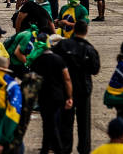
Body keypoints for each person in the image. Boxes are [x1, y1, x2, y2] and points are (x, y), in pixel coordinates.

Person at [53, 20, 100, 154]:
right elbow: (95, 69)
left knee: (66, 121)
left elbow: (54, 58)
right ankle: (84, 149)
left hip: (66, 89)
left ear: (74, 30)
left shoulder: (63, 44)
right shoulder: (89, 49)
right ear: (86, 31)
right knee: (84, 123)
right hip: (83, 89)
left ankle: (65, 148)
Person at [30, 32, 72, 154]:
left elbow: (33, 81)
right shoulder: (58, 59)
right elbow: (67, 79)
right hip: (58, 95)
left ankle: (51, 147)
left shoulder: (36, 61)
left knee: (47, 122)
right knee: (53, 122)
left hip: (43, 96)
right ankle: (49, 147)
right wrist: (69, 96)